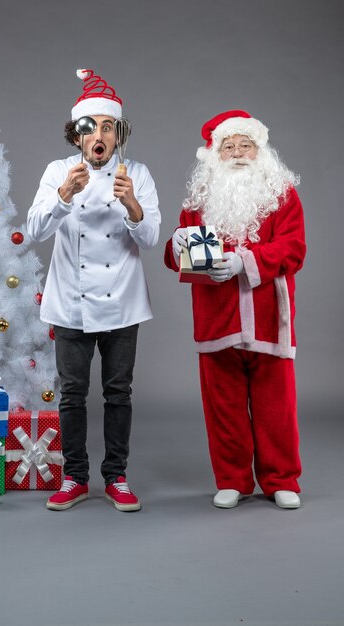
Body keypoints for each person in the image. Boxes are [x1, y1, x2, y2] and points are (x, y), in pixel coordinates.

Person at [28, 69, 161, 511]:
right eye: (90, 127)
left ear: (117, 133)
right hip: (69, 301)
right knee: (71, 394)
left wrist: (132, 205)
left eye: (108, 126)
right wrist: (63, 196)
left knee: (118, 393)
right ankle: (75, 478)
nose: (99, 134)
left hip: (123, 301)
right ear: (77, 135)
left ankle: (117, 477)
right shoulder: (57, 172)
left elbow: (151, 239)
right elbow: (33, 231)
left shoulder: (136, 173)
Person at [164, 110, 306, 509]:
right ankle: (232, 479)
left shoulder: (282, 195)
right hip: (217, 319)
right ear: (215, 154)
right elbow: (181, 254)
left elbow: (295, 248)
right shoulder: (199, 199)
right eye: (230, 147)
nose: (239, 153)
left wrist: (247, 261)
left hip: (268, 320)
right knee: (223, 407)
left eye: (246, 145)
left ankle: (281, 480)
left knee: (276, 407)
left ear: (260, 151)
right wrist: (175, 245)